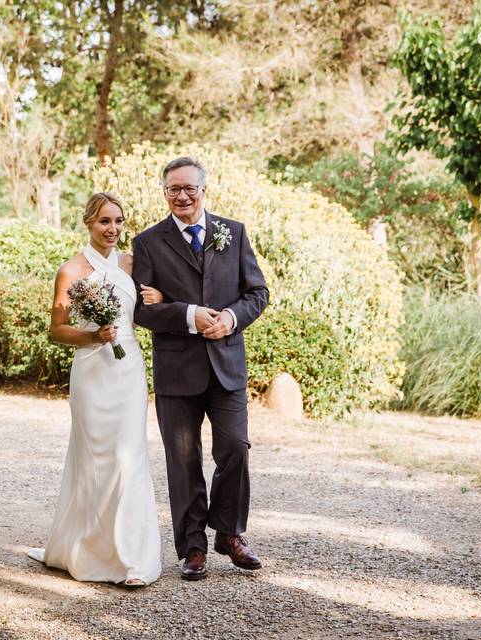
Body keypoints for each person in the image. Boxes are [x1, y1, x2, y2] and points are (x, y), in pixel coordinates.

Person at [132, 157, 269, 581]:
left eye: (189, 188)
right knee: (183, 460)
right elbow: (139, 309)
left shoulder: (235, 232)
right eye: (173, 189)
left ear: (203, 190)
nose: (182, 196)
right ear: (164, 192)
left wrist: (229, 318)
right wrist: (190, 314)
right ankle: (193, 547)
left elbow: (258, 292)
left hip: (226, 365)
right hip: (178, 370)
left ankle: (229, 533)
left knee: (235, 449)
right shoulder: (148, 243)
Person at [29, 192, 163, 587]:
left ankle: (131, 557)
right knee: (93, 459)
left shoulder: (133, 265)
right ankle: (87, 549)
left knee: (128, 456)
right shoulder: (70, 271)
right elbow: (57, 330)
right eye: (105, 221)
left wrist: (158, 297)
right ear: (89, 222)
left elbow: (151, 308)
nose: (113, 229)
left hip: (128, 370)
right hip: (91, 372)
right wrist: (93, 337)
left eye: (119, 221)